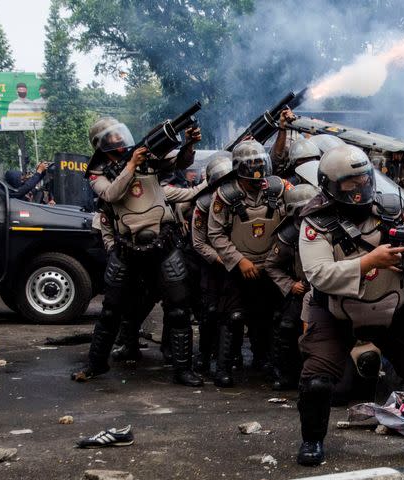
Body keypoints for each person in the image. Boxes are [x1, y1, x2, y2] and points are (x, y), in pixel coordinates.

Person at [296, 144, 404, 466]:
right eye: (349, 184)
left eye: (363, 180)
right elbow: (319, 274)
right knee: (316, 381)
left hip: (390, 306)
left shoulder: (393, 209)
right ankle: (312, 442)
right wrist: (370, 261)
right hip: (336, 310)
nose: (360, 189)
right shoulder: (315, 222)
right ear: (331, 185)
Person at [71, 116, 206, 387]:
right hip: (127, 247)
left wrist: (189, 144)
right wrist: (131, 165)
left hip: (163, 242)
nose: (117, 140)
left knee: (179, 309)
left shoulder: (147, 158)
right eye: (109, 138)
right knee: (111, 311)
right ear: (100, 144)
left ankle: (182, 370)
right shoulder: (97, 171)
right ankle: (95, 364)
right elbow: (111, 195)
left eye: (118, 135)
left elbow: (179, 163)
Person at [207, 140, 288, 387]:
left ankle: (269, 364)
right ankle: (223, 367)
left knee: (271, 317)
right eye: (250, 168)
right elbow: (215, 234)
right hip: (240, 266)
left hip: (271, 265)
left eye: (259, 166)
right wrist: (239, 260)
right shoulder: (225, 195)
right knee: (233, 317)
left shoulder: (279, 189)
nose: (257, 176)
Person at [265, 183, 320, 389]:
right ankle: (285, 373)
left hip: (326, 286)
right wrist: (290, 285)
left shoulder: (329, 226)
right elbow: (271, 265)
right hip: (302, 288)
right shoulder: (288, 235)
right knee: (287, 327)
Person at [190, 155, 232, 375]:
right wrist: (222, 259)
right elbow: (198, 243)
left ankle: (228, 358)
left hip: (234, 264)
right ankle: (204, 356)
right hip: (213, 265)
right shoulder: (203, 204)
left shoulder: (237, 198)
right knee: (210, 312)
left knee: (233, 314)